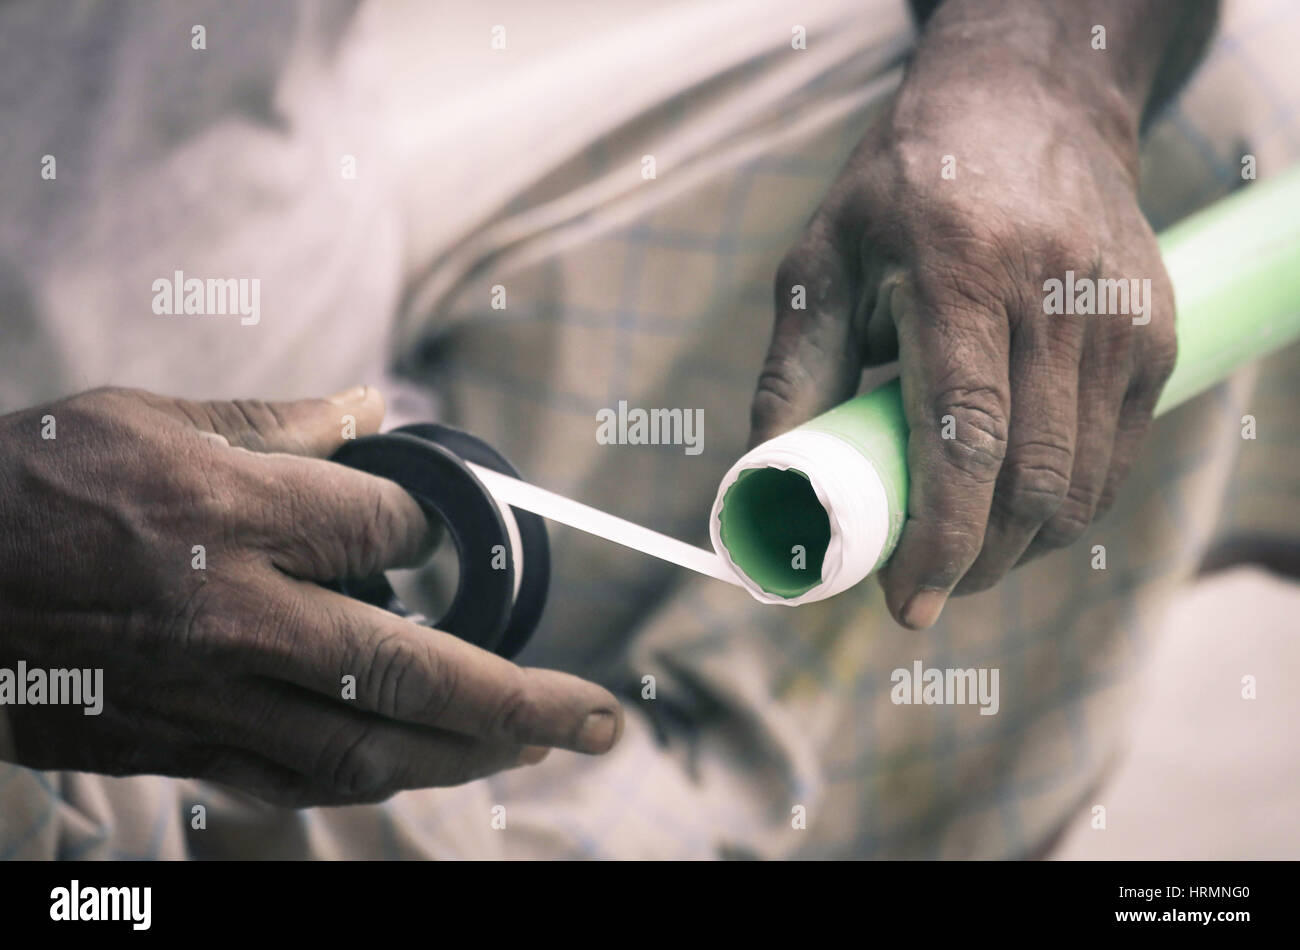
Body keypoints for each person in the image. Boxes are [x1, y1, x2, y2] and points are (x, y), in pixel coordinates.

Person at [1, 0, 1296, 859]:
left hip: (368, 309)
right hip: (31, 690)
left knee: (1159, 159)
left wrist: (1036, 74)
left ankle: (700, 783)